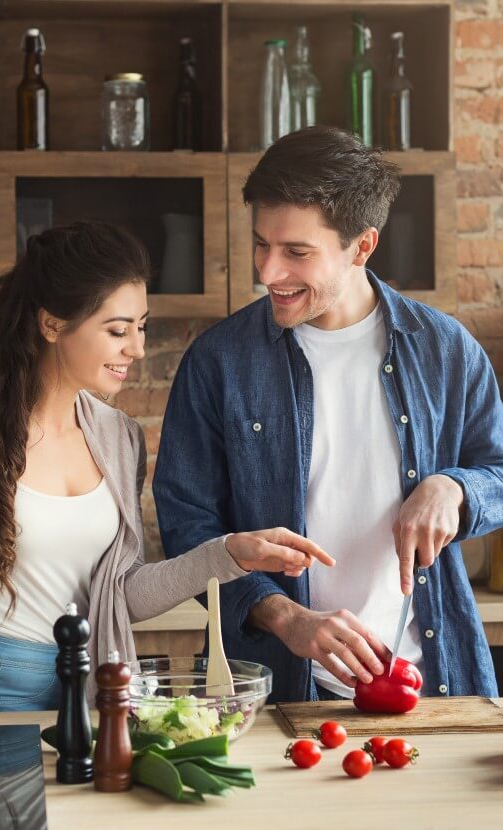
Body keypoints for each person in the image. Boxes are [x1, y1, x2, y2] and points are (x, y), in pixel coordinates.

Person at [0, 221, 334, 720]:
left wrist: (228, 554)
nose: (137, 349)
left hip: (99, 693)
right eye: (117, 330)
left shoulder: (120, 439)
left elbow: (120, 595)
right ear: (52, 325)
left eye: (142, 327)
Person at [153, 125, 503, 704]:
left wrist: (455, 489)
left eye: (296, 252)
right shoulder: (218, 362)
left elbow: (497, 470)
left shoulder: (446, 349)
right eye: (262, 244)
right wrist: (285, 616)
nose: (267, 272)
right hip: (283, 694)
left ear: (362, 246)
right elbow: (189, 528)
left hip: (433, 683)